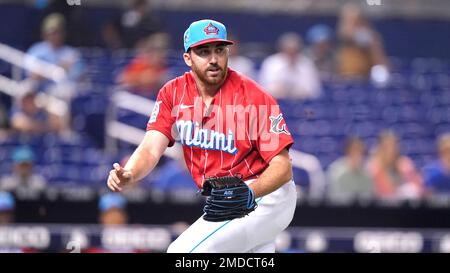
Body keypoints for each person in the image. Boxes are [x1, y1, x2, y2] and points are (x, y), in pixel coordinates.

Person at [107, 19, 297, 253]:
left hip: (265, 195)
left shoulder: (253, 96)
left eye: (219, 50)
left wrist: (249, 194)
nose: (214, 59)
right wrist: (131, 173)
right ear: (188, 58)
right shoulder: (172, 93)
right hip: (227, 198)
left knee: (182, 253)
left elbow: (283, 166)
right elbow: (150, 147)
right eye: (204, 51)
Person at [336, 3, 390, 85]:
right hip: (346, 77)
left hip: (364, 77)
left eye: (353, 20)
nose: (348, 23)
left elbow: (378, 55)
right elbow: (345, 33)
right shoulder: (344, 35)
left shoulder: (367, 34)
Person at [258, 32, 321, 100]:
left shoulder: (307, 64)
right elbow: (263, 88)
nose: (291, 53)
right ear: (282, 49)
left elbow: (314, 90)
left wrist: (295, 91)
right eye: (288, 50)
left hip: (302, 103)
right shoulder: (271, 62)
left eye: (295, 50)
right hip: (276, 102)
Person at [366, 130, 423, 201]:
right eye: (386, 147)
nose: (391, 150)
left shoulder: (405, 164)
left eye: (393, 146)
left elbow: (418, 187)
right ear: (380, 148)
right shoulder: (373, 167)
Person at [117, 32, 170, 99]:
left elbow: (165, 82)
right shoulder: (141, 62)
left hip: (154, 101)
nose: (158, 54)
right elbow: (120, 79)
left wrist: (154, 79)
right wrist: (140, 78)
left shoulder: (165, 66)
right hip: (136, 98)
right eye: (155, 50)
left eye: (161, 50)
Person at [327, 137, 374, 203]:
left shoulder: (367, 172)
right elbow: (334, 197)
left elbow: (368, 197)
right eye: (354, 150)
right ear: (347, 151)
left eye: (360, 151)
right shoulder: (336, 170)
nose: (357, 154)